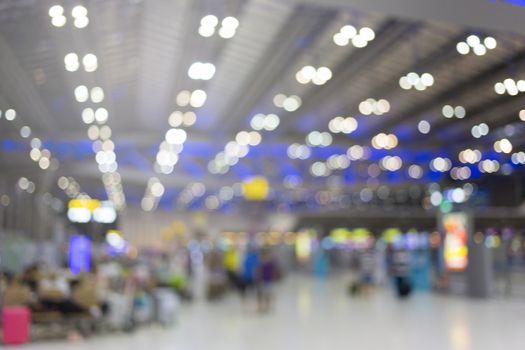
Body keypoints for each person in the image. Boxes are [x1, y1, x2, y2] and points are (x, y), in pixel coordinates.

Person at [256, 249, 279, 313]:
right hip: (262, 281)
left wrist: (274, 278)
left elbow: (274, 271)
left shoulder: (271, 263)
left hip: (269, 280)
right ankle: (260, 306)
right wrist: (258, 278)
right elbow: (258, 271)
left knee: (268, 294)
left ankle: (267, 306)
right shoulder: (260, 263)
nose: (266, 257)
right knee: (261, 294)